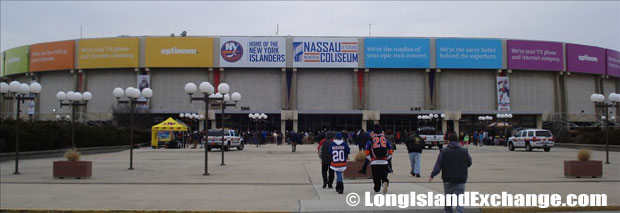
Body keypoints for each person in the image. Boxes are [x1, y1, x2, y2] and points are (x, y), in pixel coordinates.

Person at [429, 134, 473, 213]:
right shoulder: (464, 151)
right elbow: (469, 163)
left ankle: (448, 211)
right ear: (458, 141)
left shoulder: (444, 151)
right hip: (461, 179)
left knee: (448, 198)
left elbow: (438, 164)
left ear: (449, 141)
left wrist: (432, 175)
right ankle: (459, 211)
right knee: (460, 198)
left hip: (448, 179)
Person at [365, 124, 393, 194]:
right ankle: (385, 182)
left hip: (374, 161)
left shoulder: (371, 138)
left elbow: (367, 151)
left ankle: (377, 188)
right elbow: (390, 149)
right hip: (384, 161)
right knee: (384, 175)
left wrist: (370, 158)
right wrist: (388, 157)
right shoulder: (384, 139)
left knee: (375, 176)